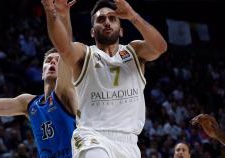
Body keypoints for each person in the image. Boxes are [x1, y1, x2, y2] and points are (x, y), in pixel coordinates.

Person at [42, 0, 167, 157]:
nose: (107, 22)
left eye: (112, 18)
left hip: (129, 143)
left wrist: (133, 16)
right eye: (101, 19)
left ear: (121, 30)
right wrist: (51, 12)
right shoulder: (85, 53)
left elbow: (160, 47)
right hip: (92, 136)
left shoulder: (135, 52)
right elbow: (64, 48)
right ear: (92, 32)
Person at [0, 47, 77, 157]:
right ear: (42, 74)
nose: (53, 62)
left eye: (58, 60)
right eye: (49, 60)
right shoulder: (29, 102)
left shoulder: (71, 95)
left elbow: (67, 49)